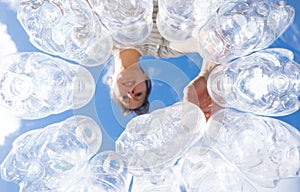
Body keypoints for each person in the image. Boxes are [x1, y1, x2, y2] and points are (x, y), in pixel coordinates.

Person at [108, 0, 217, 118]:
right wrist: (206, 76)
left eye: (124, 97)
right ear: (145, 77)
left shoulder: (97, 41)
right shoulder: (161, 47)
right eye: (138, 94)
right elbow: (213, 42)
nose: (131, 94)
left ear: (111, 83)